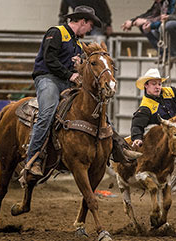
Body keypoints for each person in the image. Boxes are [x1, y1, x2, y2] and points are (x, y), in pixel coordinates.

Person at [26, 6, 102, 176]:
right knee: (47, 112)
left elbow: (71, 66)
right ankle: (33, 159)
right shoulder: (57, 32)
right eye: (90, 25)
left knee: (93, 106)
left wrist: (78, 66)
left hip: (65, 81)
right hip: (47, 78)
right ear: (83, 21)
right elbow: (49, 59)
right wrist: (70, 74)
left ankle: (116, 147)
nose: (90, 29)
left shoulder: (77, 43)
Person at [131, 68, 176, 148]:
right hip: (164, 140)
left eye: (159, 84)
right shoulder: (145, 107)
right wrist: (137, 138)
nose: (157, 87)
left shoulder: (170, 91)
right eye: (154, 84)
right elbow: (137, 126)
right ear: (146, 85)